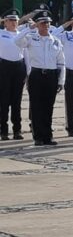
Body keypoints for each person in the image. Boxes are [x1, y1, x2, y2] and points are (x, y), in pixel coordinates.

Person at [14, 8, 65, 146]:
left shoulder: (55, 41)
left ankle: (48, 136)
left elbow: (61, 62)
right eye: (42, 23)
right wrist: (28, 29)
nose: (46, 26)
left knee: (49, 107)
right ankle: (38, 137)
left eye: (48, 23)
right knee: (36, 107)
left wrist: (61, 81)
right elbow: (16, 40)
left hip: (51, 75)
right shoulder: (31, 38)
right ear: (37, 24)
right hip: (36, 75)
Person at [0, 9, 27, 140]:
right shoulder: (0, 33)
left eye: (15, 20)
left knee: (17, 101)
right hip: (4, 67)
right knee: (3, 100)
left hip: (19, 67)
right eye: (10, 20)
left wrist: (28, 72)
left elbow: (26, 53)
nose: (13, 23)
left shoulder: (22, 34)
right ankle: (3, 131)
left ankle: (17, 130)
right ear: (5, 22)